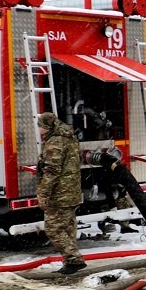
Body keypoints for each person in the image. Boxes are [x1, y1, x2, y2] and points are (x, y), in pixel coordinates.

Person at [36, 112, 86, 275]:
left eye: (41, 127)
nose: (39, 130)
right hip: (71, 191)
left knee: (53, 229)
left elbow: (52, 171)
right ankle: (71, 262)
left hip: (60, 194)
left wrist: (43, 194)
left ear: (47, 127)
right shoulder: (68, 137)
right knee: (67, 227)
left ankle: (73, 259)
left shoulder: (55, 142)